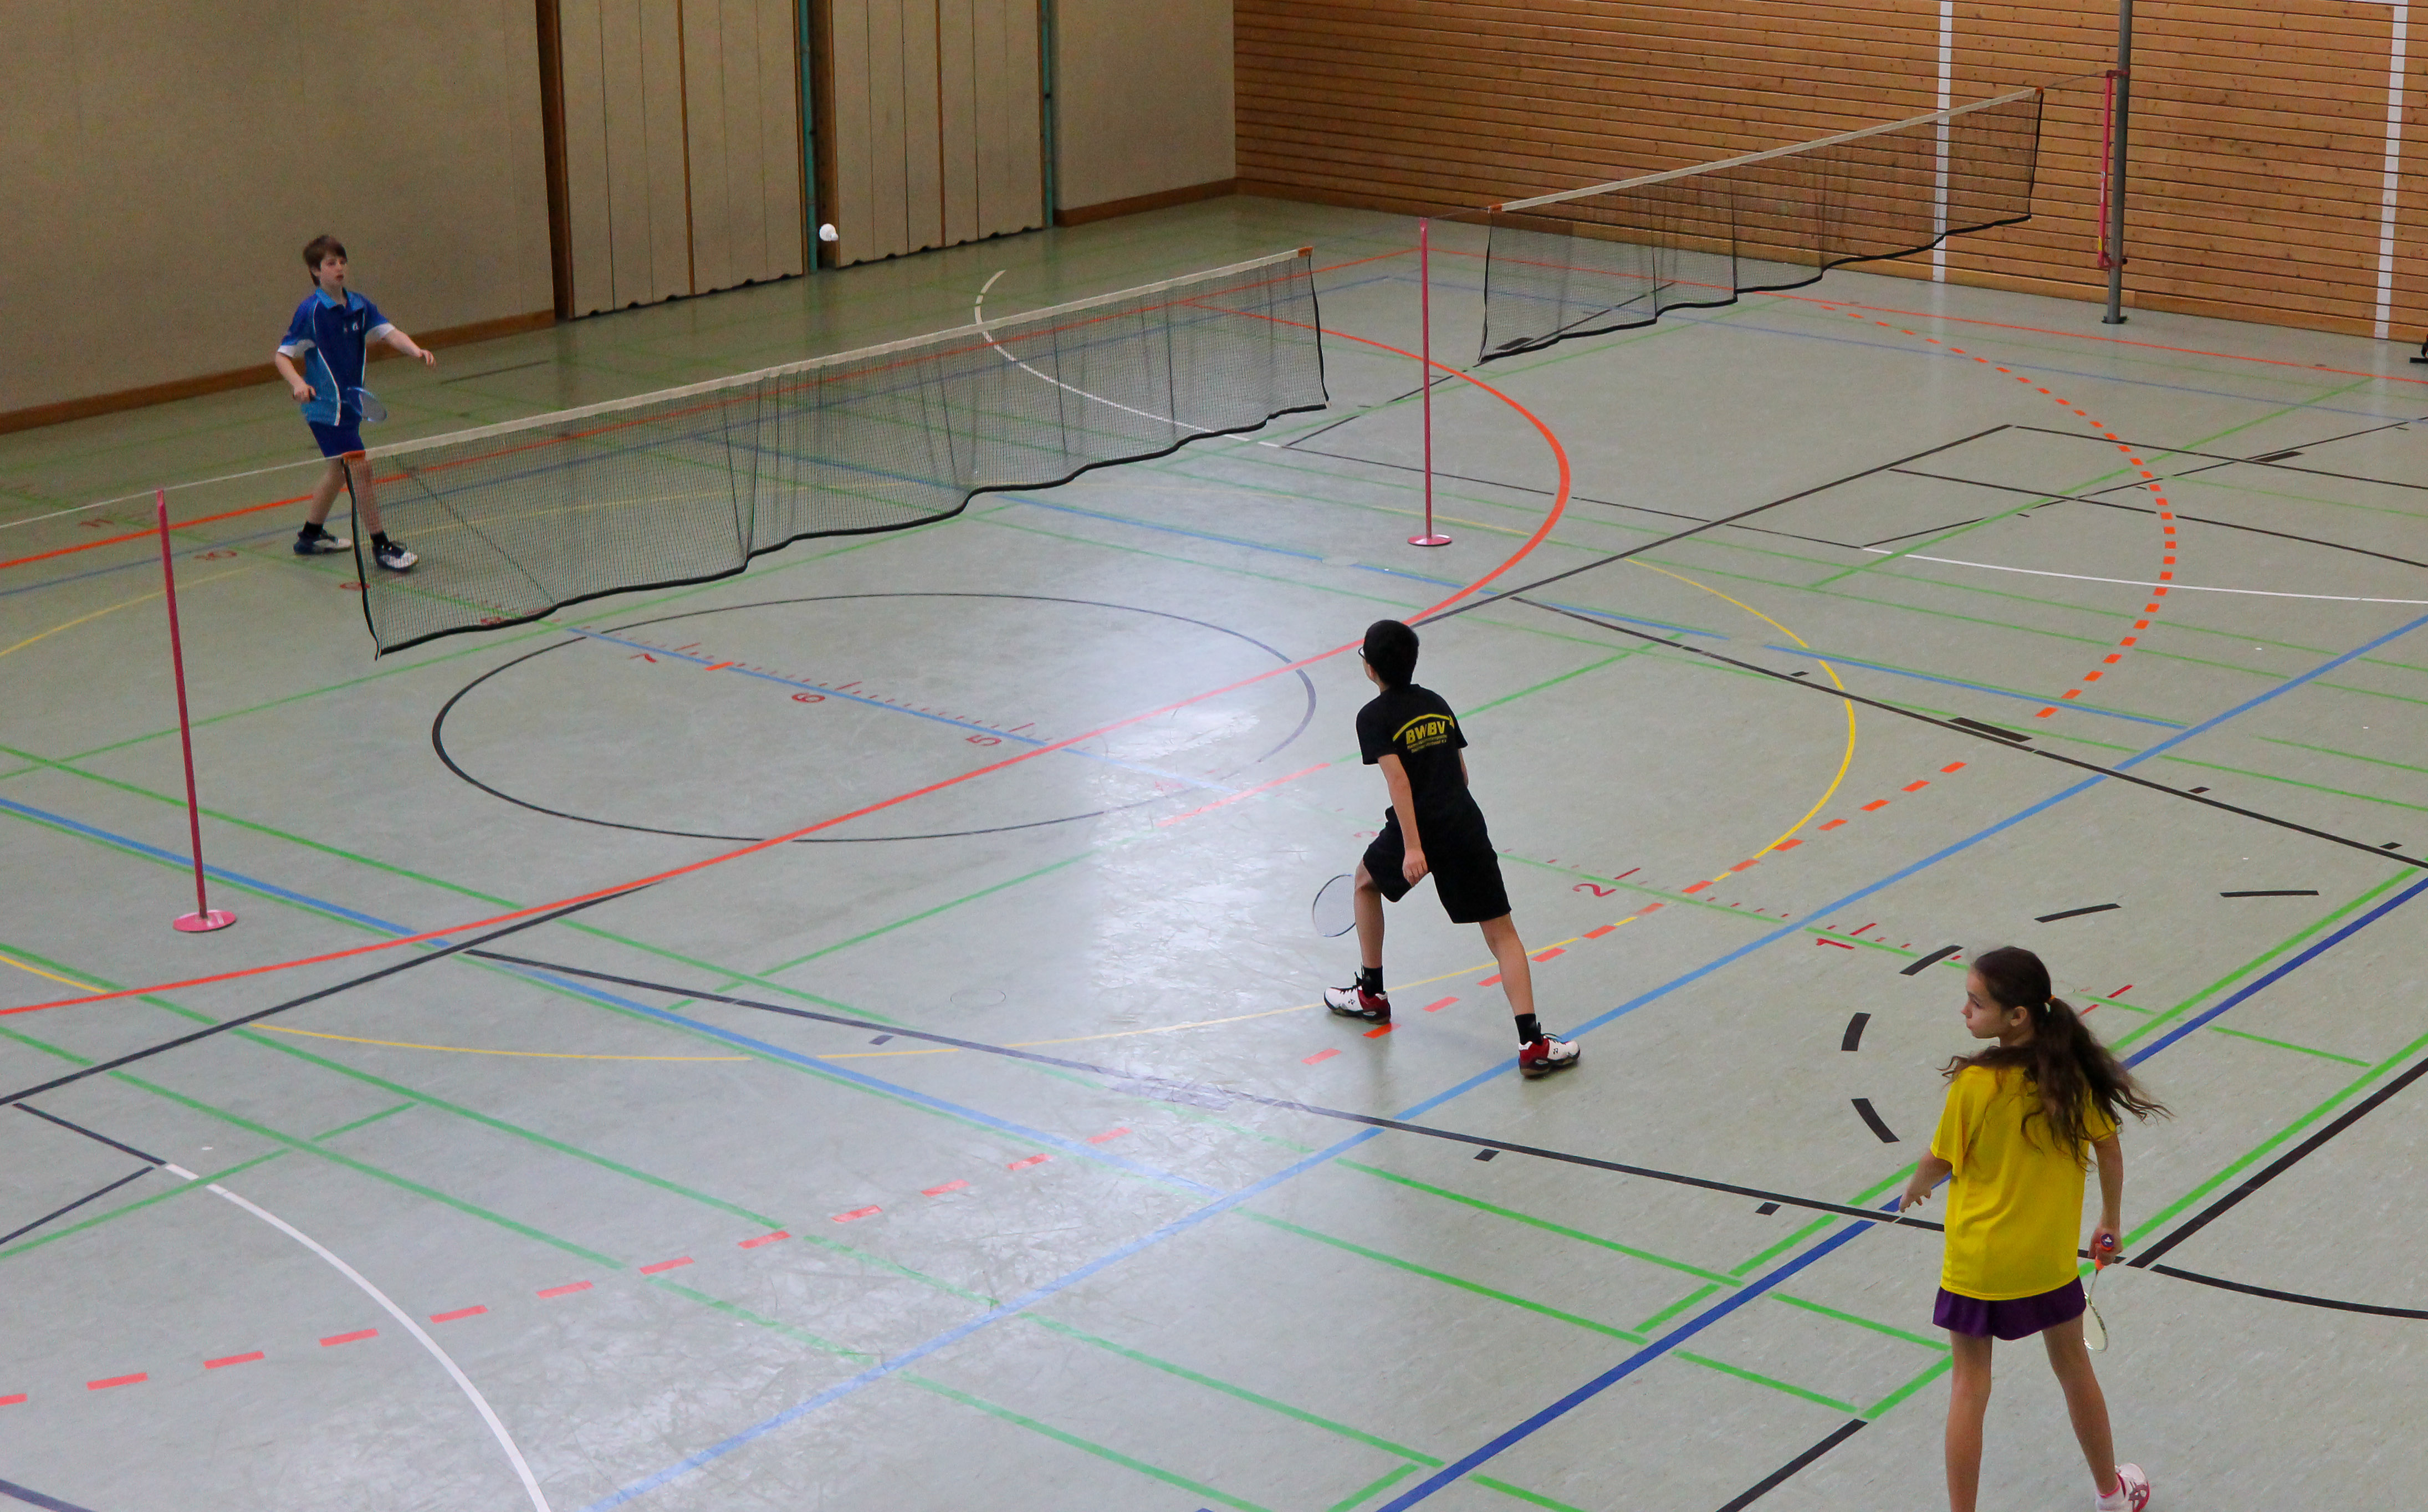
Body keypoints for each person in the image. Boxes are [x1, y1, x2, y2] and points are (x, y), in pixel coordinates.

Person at [1899, 946, 2169, 1512]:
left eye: (1976, 1003)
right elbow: (2108, 1148)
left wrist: (1916, 1185)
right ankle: (2111, 1494)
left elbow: (1939, 1158)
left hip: (1977, 1263)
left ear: (2017, 1015)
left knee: (1969, 1386)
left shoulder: (1974, 1084)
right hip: (2044, 1262)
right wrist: (2110, 1221)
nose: (1964, 1011)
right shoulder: (2068, 1077)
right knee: (2073, 1367)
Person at [1322, 619, 1580, 1079]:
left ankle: (1371, 994)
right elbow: (1461, 774)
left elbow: (1399, 782)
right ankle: (1532, 1043)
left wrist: (1413, 848)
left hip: (1418, 827)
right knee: (1502, 934)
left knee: (1363, 883)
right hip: (1463, 823)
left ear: (1370, 668)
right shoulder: (1436, 703)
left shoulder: (1372, 717)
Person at [272, 235, 432, 571]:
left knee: (337, 471)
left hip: (351, 406)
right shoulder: (311, 311)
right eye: (331, 263)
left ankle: (310, 536)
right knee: (361, 469)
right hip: (325, 410)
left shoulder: (359, 304)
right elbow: (283, 356)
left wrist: (415, 350)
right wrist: (299, 383)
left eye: (342, 261)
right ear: (316, 271)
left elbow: (389, 332)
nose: (339, 268)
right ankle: (381, 545)